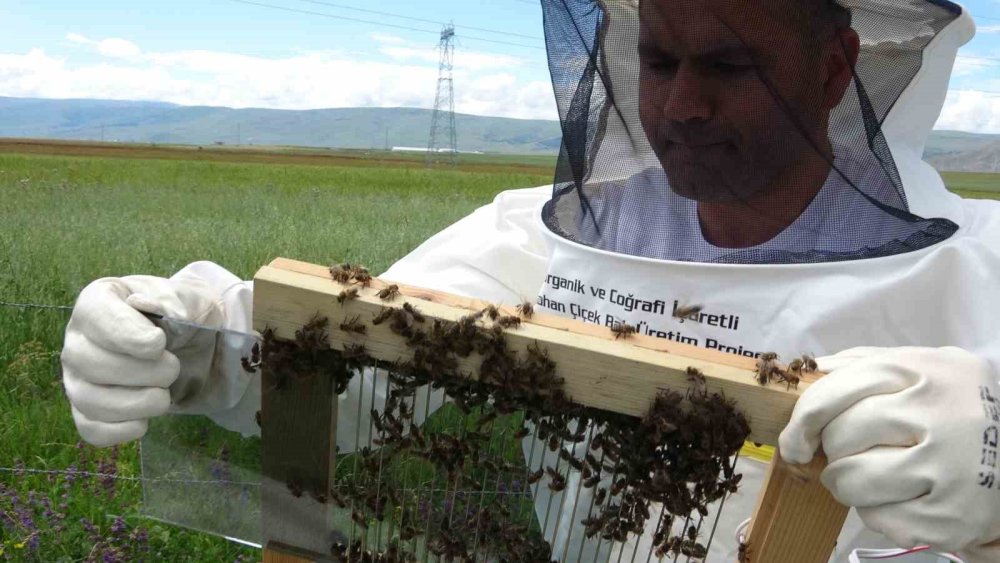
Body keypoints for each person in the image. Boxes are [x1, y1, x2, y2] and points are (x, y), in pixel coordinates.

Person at [60, 0, 1000, 560]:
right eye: (661, 59)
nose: (681, 104)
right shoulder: (533, 239)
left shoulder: (978, 265)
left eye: (729, 64)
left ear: (836, 68)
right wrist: (195, 344)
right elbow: (356, 359)